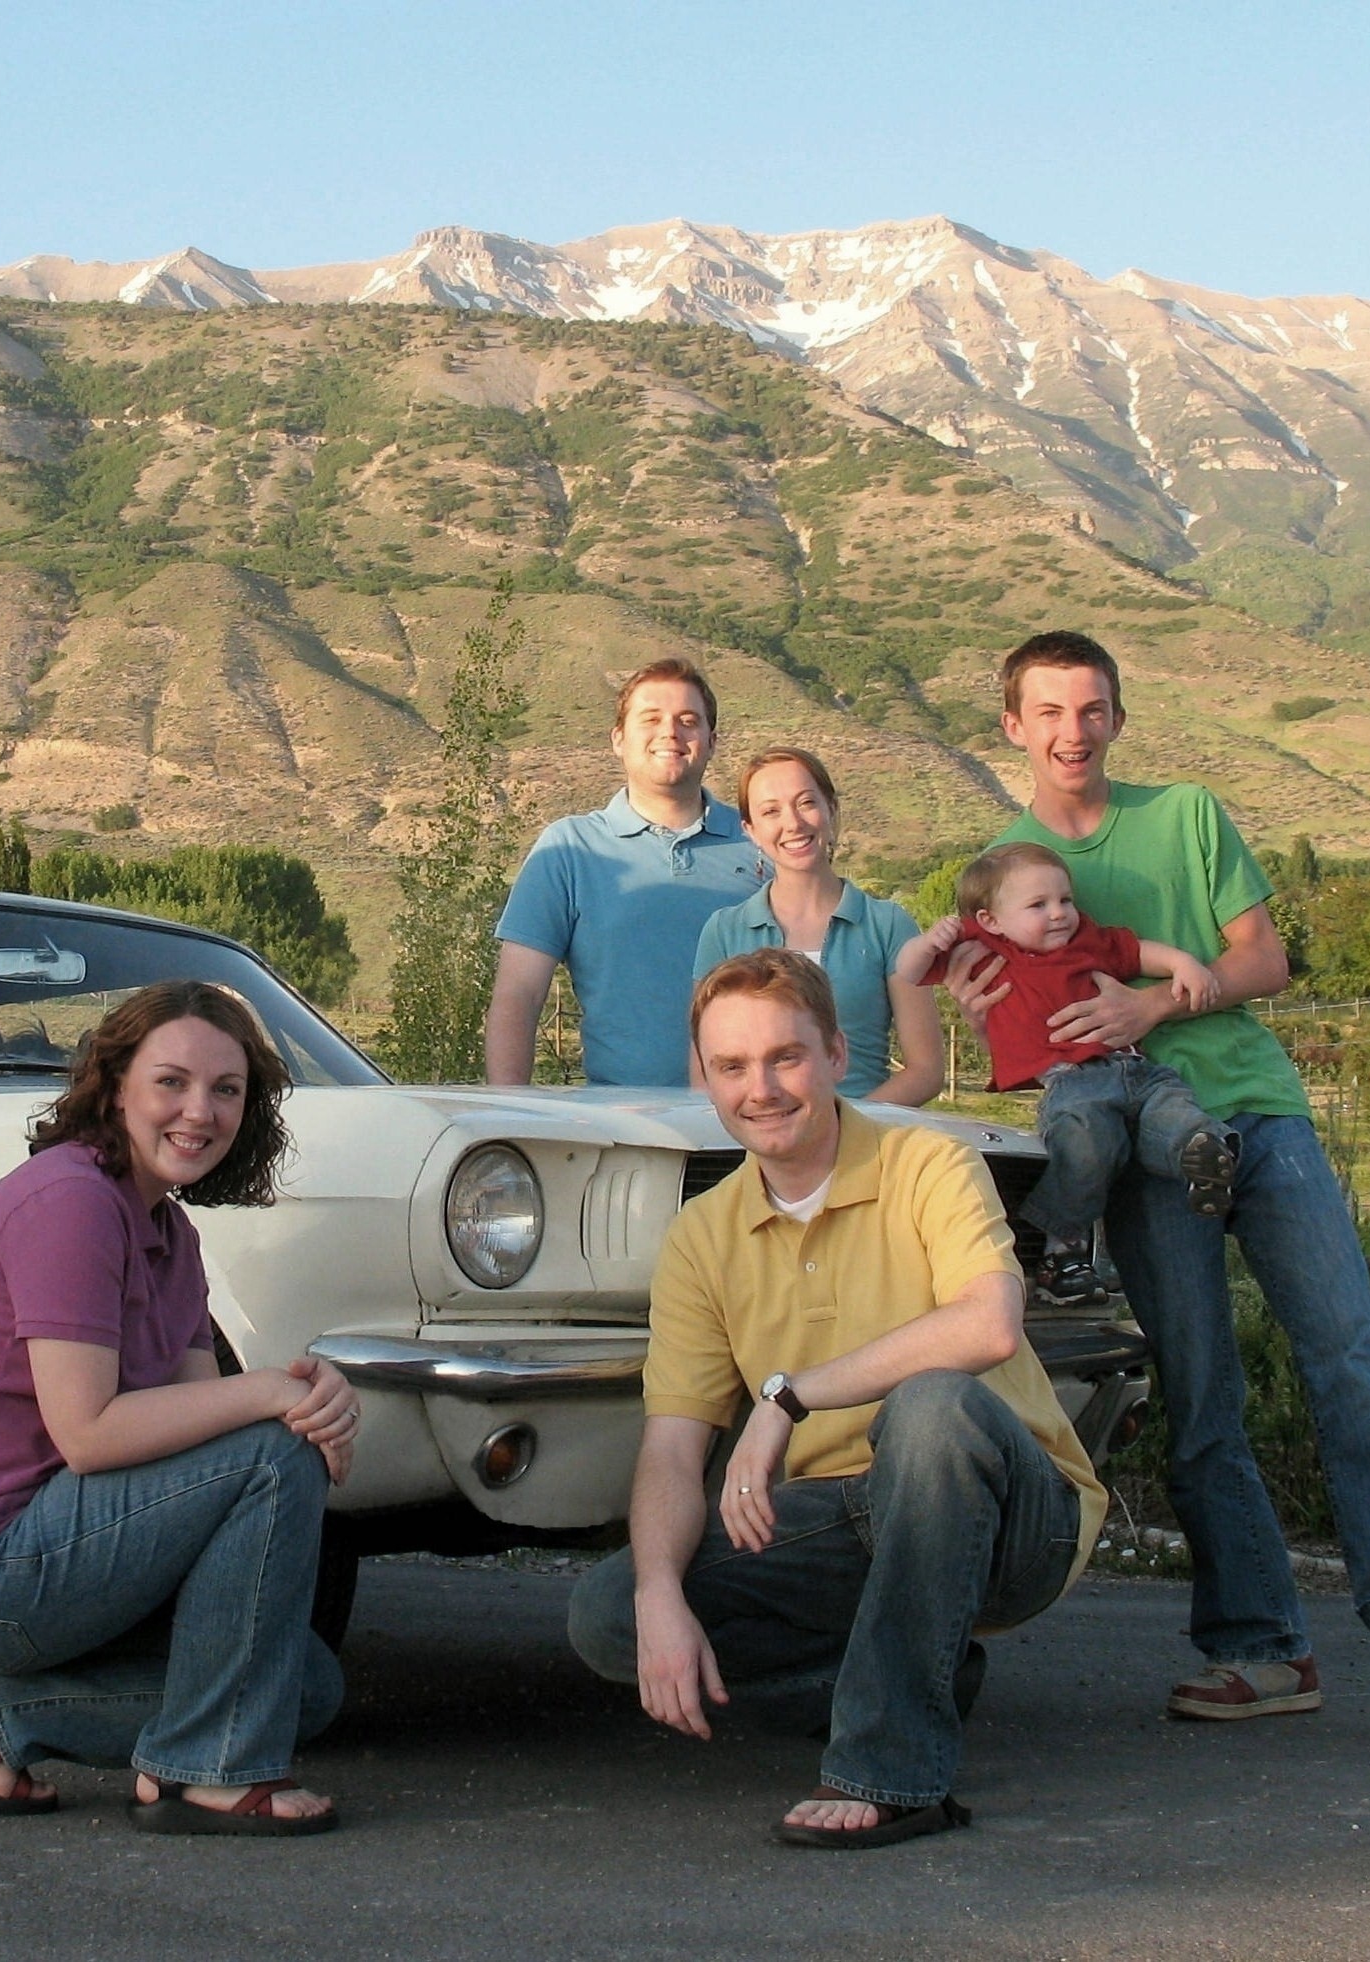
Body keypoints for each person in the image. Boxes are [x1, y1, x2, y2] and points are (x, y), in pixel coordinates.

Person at [948, 630, 1370, 1716]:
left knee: (1344, 1348)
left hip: (1255, 1115)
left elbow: (1263, 959)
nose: (1071, 731)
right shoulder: (999, 874)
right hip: (1139, 1161)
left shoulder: (1186, 814)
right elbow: (998, 1026)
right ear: (1012, 725)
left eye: (1091, 708)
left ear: (1117, 719)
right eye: (1047, 711)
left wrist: (1152, 1003)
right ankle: (1262, 1646)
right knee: (1199, 1394)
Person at [567, 950, 1102, 1849]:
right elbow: (670, 1446)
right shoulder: (702, 1236)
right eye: (730, 1066)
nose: (761, 1088)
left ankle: (890, 1766)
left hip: (1009, 1515)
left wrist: (786, 1398)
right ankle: (911, 1671)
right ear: (702, 1077)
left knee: (930, 1408)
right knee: (612, 1615)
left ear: (835, 1055)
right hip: (842, 1521)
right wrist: (661, 1589)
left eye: (785, 1057)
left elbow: (988, 1327)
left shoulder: (929, 1162)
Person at [0, 981, 358, 1835]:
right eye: (170, 1082)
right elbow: (90, 1434)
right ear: (115, 1085)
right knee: (270, 1453)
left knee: (304, 1687)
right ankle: (201, 1772)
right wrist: (267, 1404)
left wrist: (311, 1396)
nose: (198, 1111)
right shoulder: (68, 1202)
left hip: (67, 1549)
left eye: (226, 1090)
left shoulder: (170, 1236)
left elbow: (194, 1418)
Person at [894, 841, 1240, 1302]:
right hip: (1071, 1079)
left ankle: (1204, 1159)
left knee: (1174, 1108)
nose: (1059, 913)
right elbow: (909, 969)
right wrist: (927, 942)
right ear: (991, 920)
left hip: (1133, 1065)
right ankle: (1061, 1252)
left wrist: (1182, 963)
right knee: (1084, 1142)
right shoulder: (984, 948)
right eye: (1038, 905)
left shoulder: (1087, 942)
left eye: (1065, 900)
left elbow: (1136, 952)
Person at [486, 658, 769, 1086]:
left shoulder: (763, 845)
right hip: (620, 1127)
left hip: (757, 1121)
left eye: (688, 720)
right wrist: (510, 1119)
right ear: (618, 739)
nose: (670, 732)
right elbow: (518, 998)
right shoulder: (569, 850)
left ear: (712, 741)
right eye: (650, 719)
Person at [691, 745, 940, 1104]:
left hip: (867, 1146)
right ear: (751, 830)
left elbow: (926, 1070)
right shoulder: (724, 931)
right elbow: (705, 1069)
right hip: (757, 1141)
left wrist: (845, 1131)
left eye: (806, 802)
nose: (793, 823)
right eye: (771, 811)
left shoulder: (888, 925)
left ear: (831, 809)